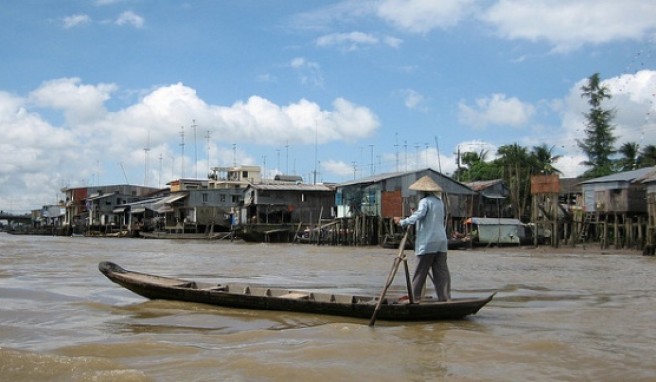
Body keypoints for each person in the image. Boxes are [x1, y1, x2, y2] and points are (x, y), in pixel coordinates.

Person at [394, 175, 451, 302]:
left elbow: (419, 215)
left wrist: (402, 222)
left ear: (423, 191)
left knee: (420, 272)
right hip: (441, 242)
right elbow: (425, 215)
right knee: (441, 272)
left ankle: (415, 298)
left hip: (428, 242)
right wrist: (415, 213)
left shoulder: (425, 202)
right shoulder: (439, 202)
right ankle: (445, 298)